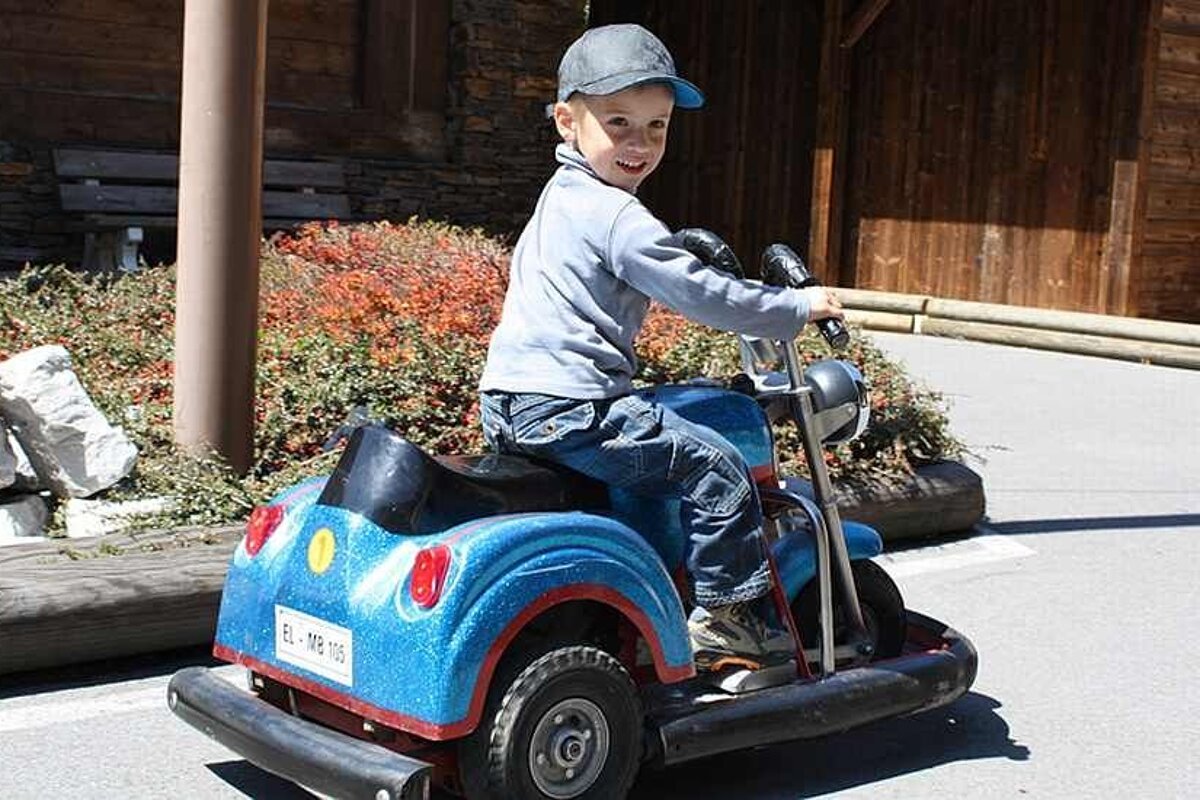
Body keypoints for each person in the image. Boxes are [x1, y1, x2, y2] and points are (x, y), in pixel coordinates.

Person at [478, 24, 844, 671]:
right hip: (573, 403)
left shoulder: (563, 197)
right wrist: (794, 308)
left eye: (657, 126)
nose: (639, 143)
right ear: (567, 121)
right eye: (618, 121)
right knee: (719, 468)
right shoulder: (616, 215)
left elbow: (637, 266)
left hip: (512, 401)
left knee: (654, 450)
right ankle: (730, 622)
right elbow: (698, 294)